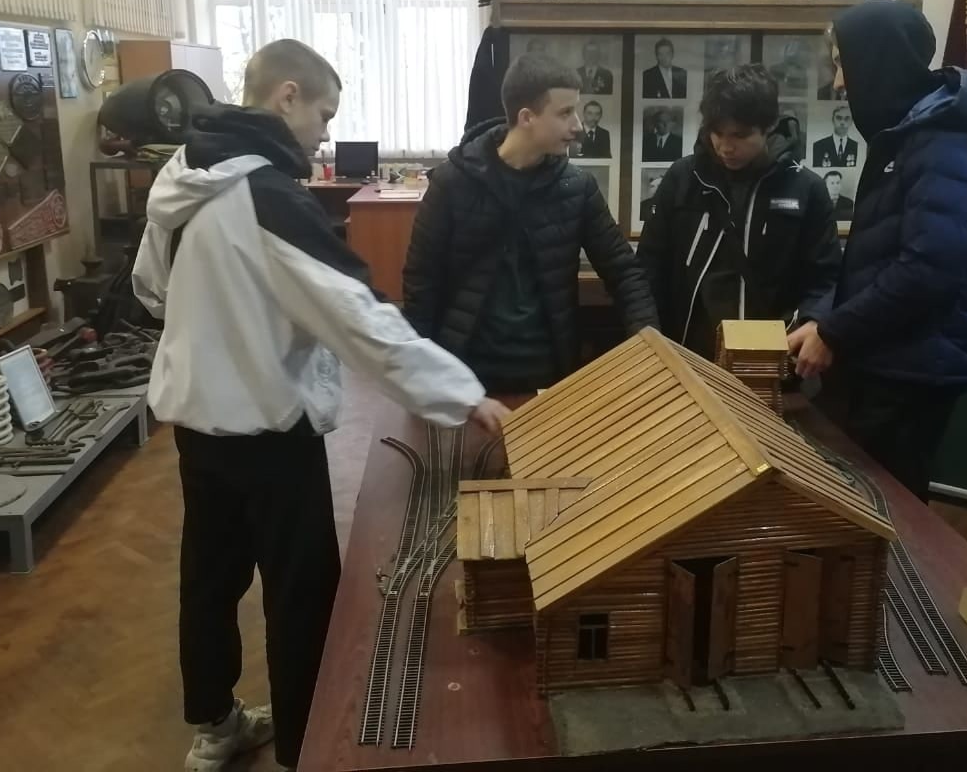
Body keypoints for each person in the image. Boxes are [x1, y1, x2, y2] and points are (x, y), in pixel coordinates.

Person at [132, 39, 509, 772]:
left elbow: (150, 290)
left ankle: (214, 726)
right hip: (270, 435)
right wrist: (461, 393)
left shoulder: (183, 174)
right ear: (287, 97)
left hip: (196, 426)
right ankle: (305, 750)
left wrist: (223, 320)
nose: (326, 135)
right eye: (324, 114)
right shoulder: (270, 197)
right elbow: (360, 317)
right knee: (300, 594)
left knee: (208, 580)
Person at [787, 0, 967, 501]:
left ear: (877, 60)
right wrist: (825, 319)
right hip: (890, 355)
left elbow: (928, 270)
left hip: (914, 366)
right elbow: (879, 259)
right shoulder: (908, 135)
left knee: (887, 506)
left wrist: (835, 331)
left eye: (844, 64)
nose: (839, 84)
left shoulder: (941, 142)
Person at [403, 55, 657, 393]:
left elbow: (624, 271)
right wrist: (420, 375)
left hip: (547, 373)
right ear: (527, 118)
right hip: (465, 371)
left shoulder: (577, 187)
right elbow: (421, 281)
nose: (578, 126)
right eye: (565, 113)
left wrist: (649, 346)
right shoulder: (452, 182)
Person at [636, 64, 841, 359]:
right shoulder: (683, 178)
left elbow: (826, 278)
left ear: (769, 127)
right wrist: (649, 338)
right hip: (689, 352)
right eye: (717, 133)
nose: (725, 147)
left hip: (775, 356)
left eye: (740, 135)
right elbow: (649, 265)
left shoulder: (806, 188)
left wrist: (814, 321)